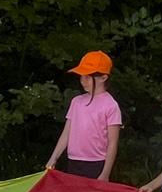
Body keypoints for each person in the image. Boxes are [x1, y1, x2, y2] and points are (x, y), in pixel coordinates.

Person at [46, 51, 121, 181]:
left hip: (97, 163)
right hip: (73, 161)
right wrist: (53, 159)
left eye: (87, 77)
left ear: (103, 78)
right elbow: (66, 134)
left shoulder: (111, 105)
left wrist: (105, 173)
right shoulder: (76, 102)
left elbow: (113, 142)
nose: (83, 81)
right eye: (81, 76)